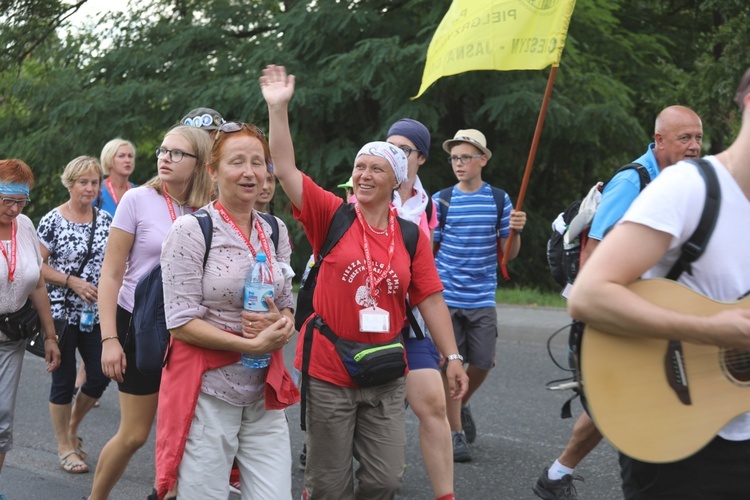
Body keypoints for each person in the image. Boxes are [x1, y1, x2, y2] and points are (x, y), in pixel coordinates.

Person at [261, 64, 468, 500]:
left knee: (385, 480)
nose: (365, 174)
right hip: (330, 370)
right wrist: (277, 110)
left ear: (396, 179)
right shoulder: (331, 215)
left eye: (377, 168)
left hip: (385, 369)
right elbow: (285, 169)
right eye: (360, 166)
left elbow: (430, 297)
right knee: (329, 486)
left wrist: (451, 356)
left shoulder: (410, 235)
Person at [566, 69, 750, 499]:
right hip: (676, 430)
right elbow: (589, 294)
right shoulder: (691, 187)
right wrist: (713, 330)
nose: (692, 145)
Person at [533, 105, 703, 500]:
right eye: (684, 139)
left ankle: (556, 477)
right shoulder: (632, 181)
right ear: (658, 140)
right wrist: (614, 313)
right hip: (620, 315)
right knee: (633, 402)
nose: (695, 146)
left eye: (698, 137)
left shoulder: (685, 180)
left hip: (658, 313)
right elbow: (595, 257)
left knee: (618, 404)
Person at [155, 121, 298, 500]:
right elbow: (180, 322)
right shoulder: (190, 230)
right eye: (237, 162)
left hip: (262, 389)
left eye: (258, 162)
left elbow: (286, 303)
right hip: (208, 391)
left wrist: (282, 325)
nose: (249, 172)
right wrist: (248, 345)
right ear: (213, 171)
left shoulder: (275, 229)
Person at [88, 126, 214, 500]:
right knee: (134, 434)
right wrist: (109, 339)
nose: (164, 158)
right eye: (162, 150)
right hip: (136, 324)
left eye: (177, 153)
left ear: (200, 163)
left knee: (186, 431)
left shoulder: (210, 207)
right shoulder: (137, 200)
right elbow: (110, 274)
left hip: (191, 327)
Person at [433, 129, 527, 462]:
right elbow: (431, 249)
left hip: (482, 296)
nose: (458, 164)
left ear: (482, 160)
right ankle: (455, 431)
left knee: (484, 361)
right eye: (454, 158)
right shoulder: (441, 199)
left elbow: (508, 254)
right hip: (447, 294)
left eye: (465, 157)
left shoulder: (499, 200)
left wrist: (515, 231)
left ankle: (462, 401)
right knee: (450, 364)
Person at [386, 118, 456, 498]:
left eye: (404, 149)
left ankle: (446, 495)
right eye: (389, 146)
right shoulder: (364, 190)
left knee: (433, 405)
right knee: (366, 414)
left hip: (410, 323)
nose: (395, 154)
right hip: (365, 324)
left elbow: (428, 276)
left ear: (422, 158)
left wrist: (452, 353)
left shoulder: (430, 206)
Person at [36, 156, 113, 474]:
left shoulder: (106, 220)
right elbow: (35, 267)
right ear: (70, 184)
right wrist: (70, 281)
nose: (90, 188)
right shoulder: (52, 220)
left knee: (101, 373)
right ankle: (65, 446)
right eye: (83, 182)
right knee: (64, 379)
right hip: (60, 314)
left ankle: (72, 426)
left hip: (94, 313)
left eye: (94, 183)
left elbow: (115, 264)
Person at [0, 159, 61, 492]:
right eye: (7, 200)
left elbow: (37, 282)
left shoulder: (24, 225)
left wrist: (50, 335)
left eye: (21, 201)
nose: (14, 208)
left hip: (12, 338)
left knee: (1, 419)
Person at [94, 138, 136, 216]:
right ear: (109, 159)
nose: (127, 160)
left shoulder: (138, 192)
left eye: (130, 156)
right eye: (121, 156)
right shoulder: (97, 191)